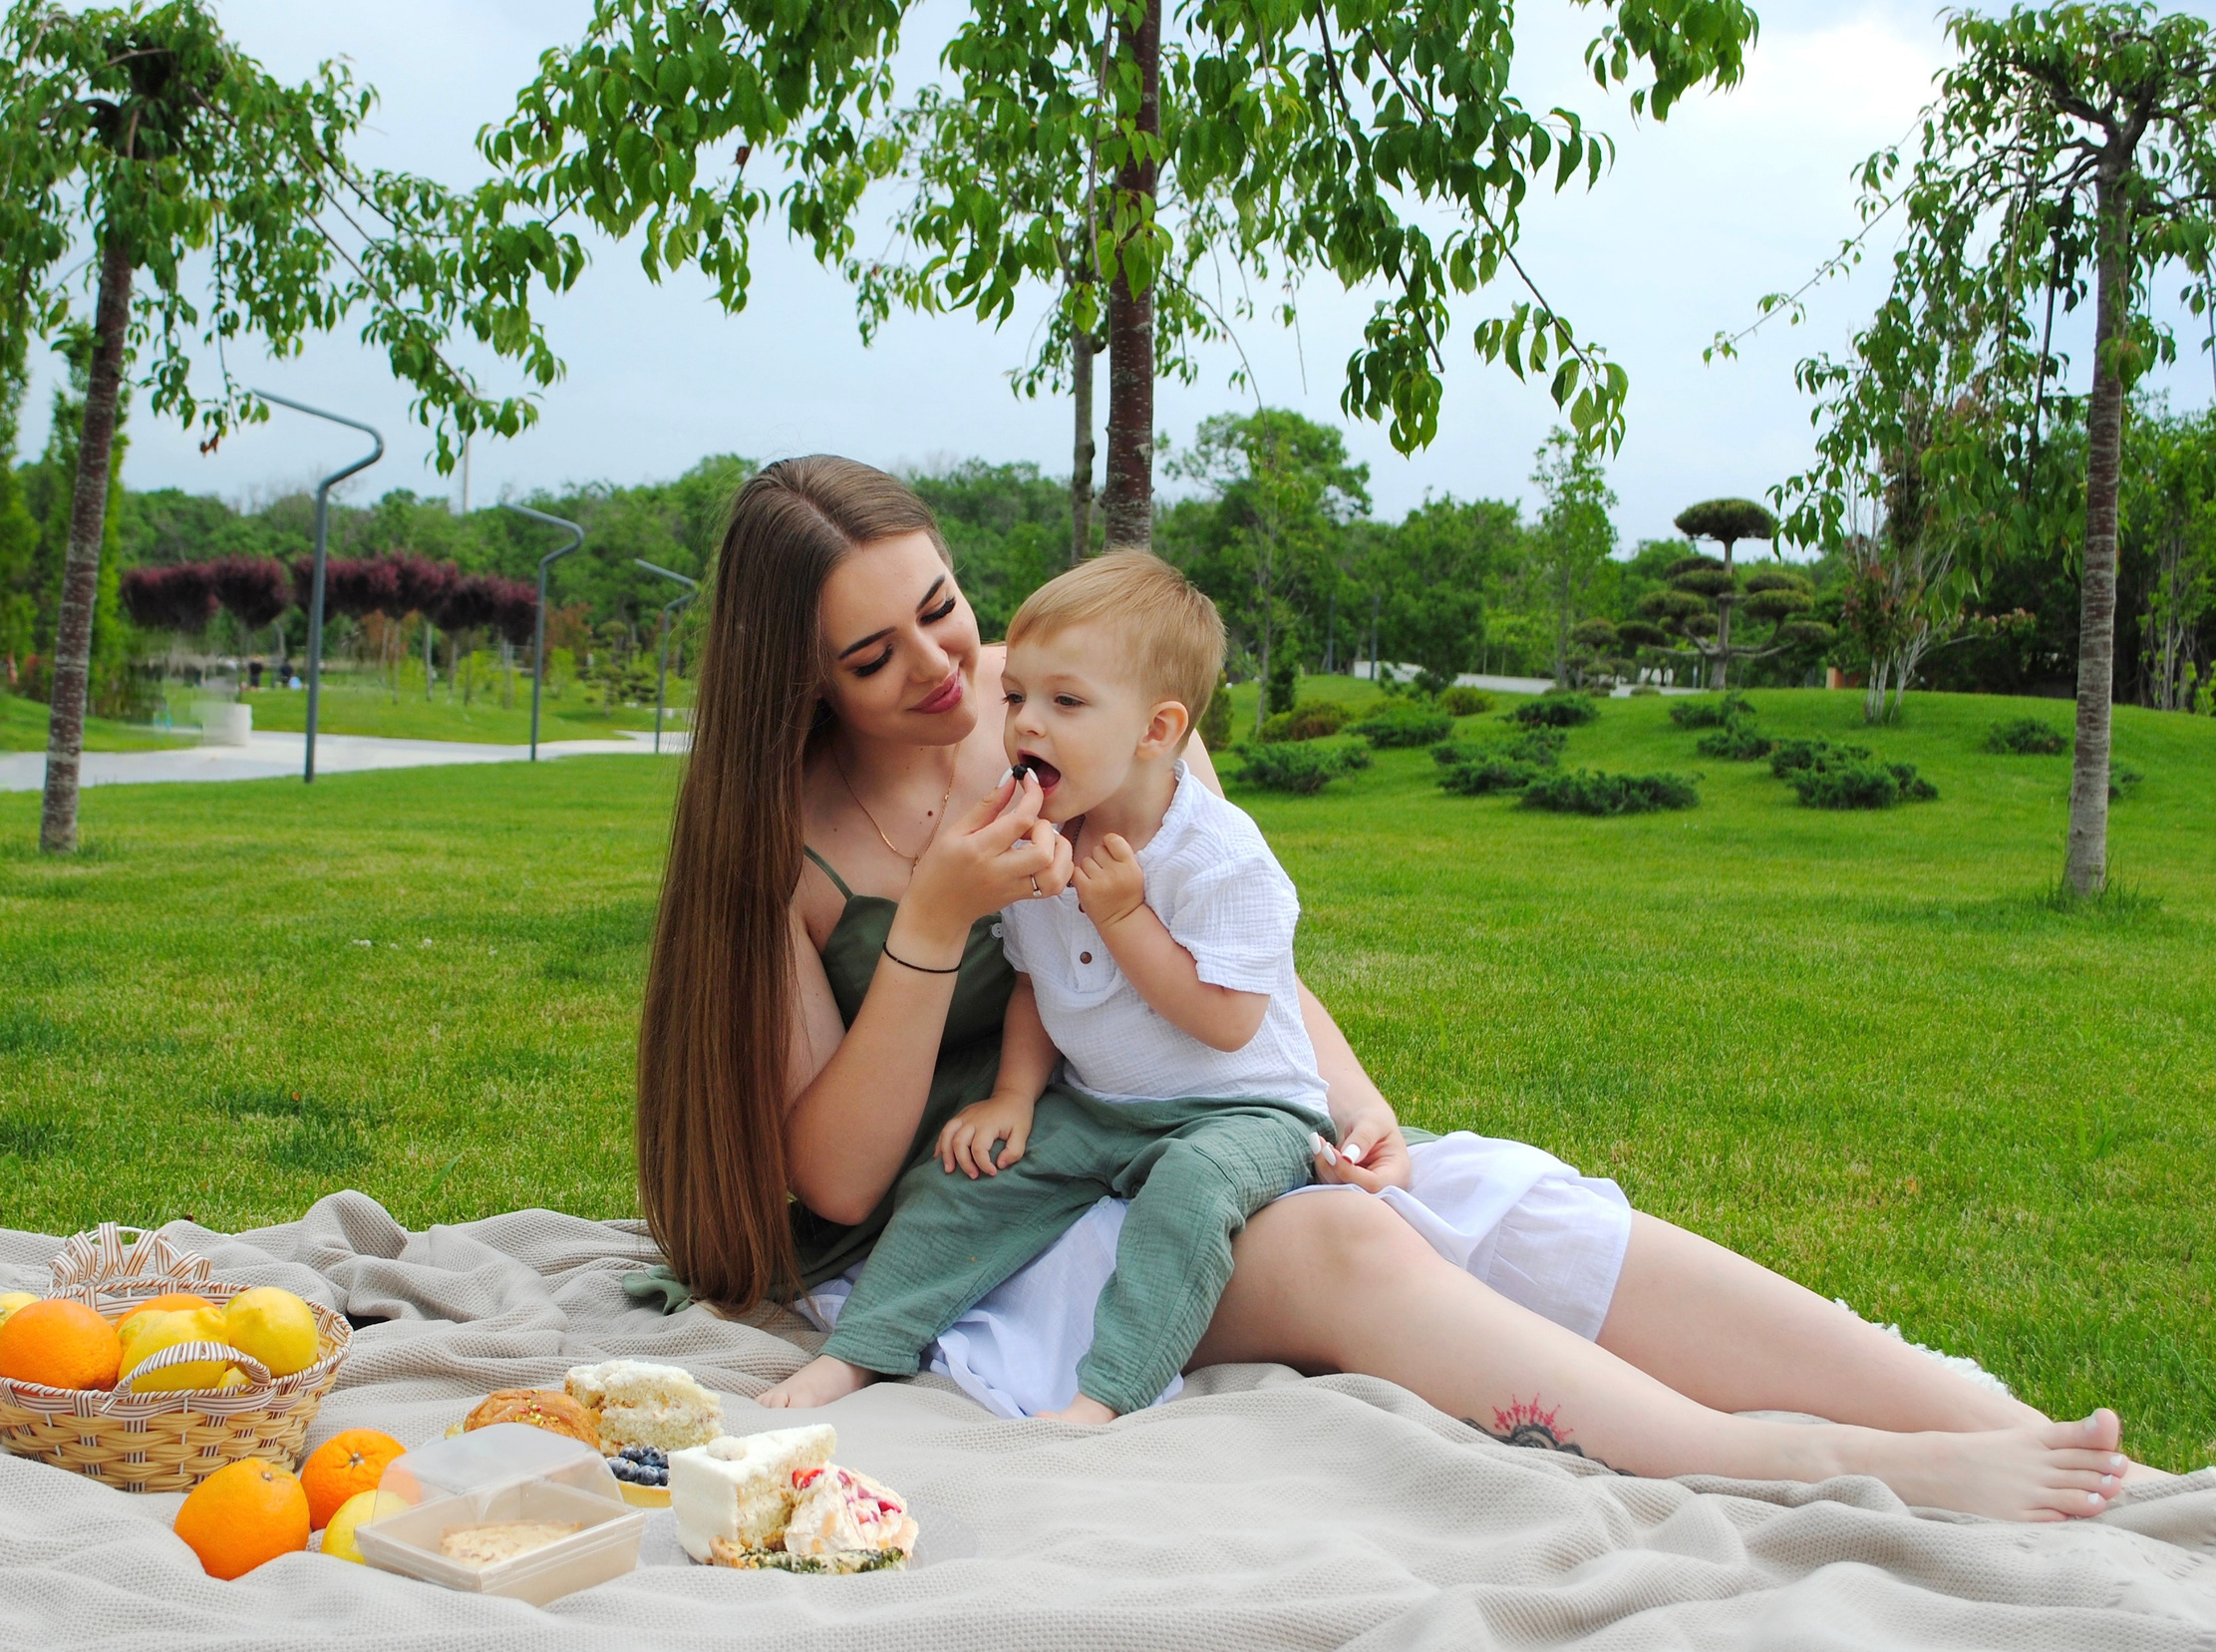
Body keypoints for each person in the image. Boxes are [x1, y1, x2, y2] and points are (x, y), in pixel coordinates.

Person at [636, 454, 2140, 1523]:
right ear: (799, 679)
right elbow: (828, 1173)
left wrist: (1364, 1110)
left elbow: (1248, 962)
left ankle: (1973, 1416)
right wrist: (937, 922)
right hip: (997, 1226)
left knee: (1491, 1200)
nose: (947, 670)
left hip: (1189, 1107)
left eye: (945, 607)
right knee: (1347, 1255)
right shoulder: (785, 850)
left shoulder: (1082, 710)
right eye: (873, 653)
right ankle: (1795, 1463)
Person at [783, 551, 1328, 1422]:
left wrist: (1124, 921)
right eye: (1016, 698)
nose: (1025, 723)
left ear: (1155, 731)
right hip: (1101, 1106)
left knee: (1188, 1196)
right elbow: (1037, 986)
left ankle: (1106, 1394)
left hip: (1243, 1111)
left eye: (1064, 703)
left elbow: (1229, 1022)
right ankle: (859, 1351)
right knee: (962, 1179)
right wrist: (1013, 1097)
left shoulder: (1220, 854)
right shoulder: (1039, 832)